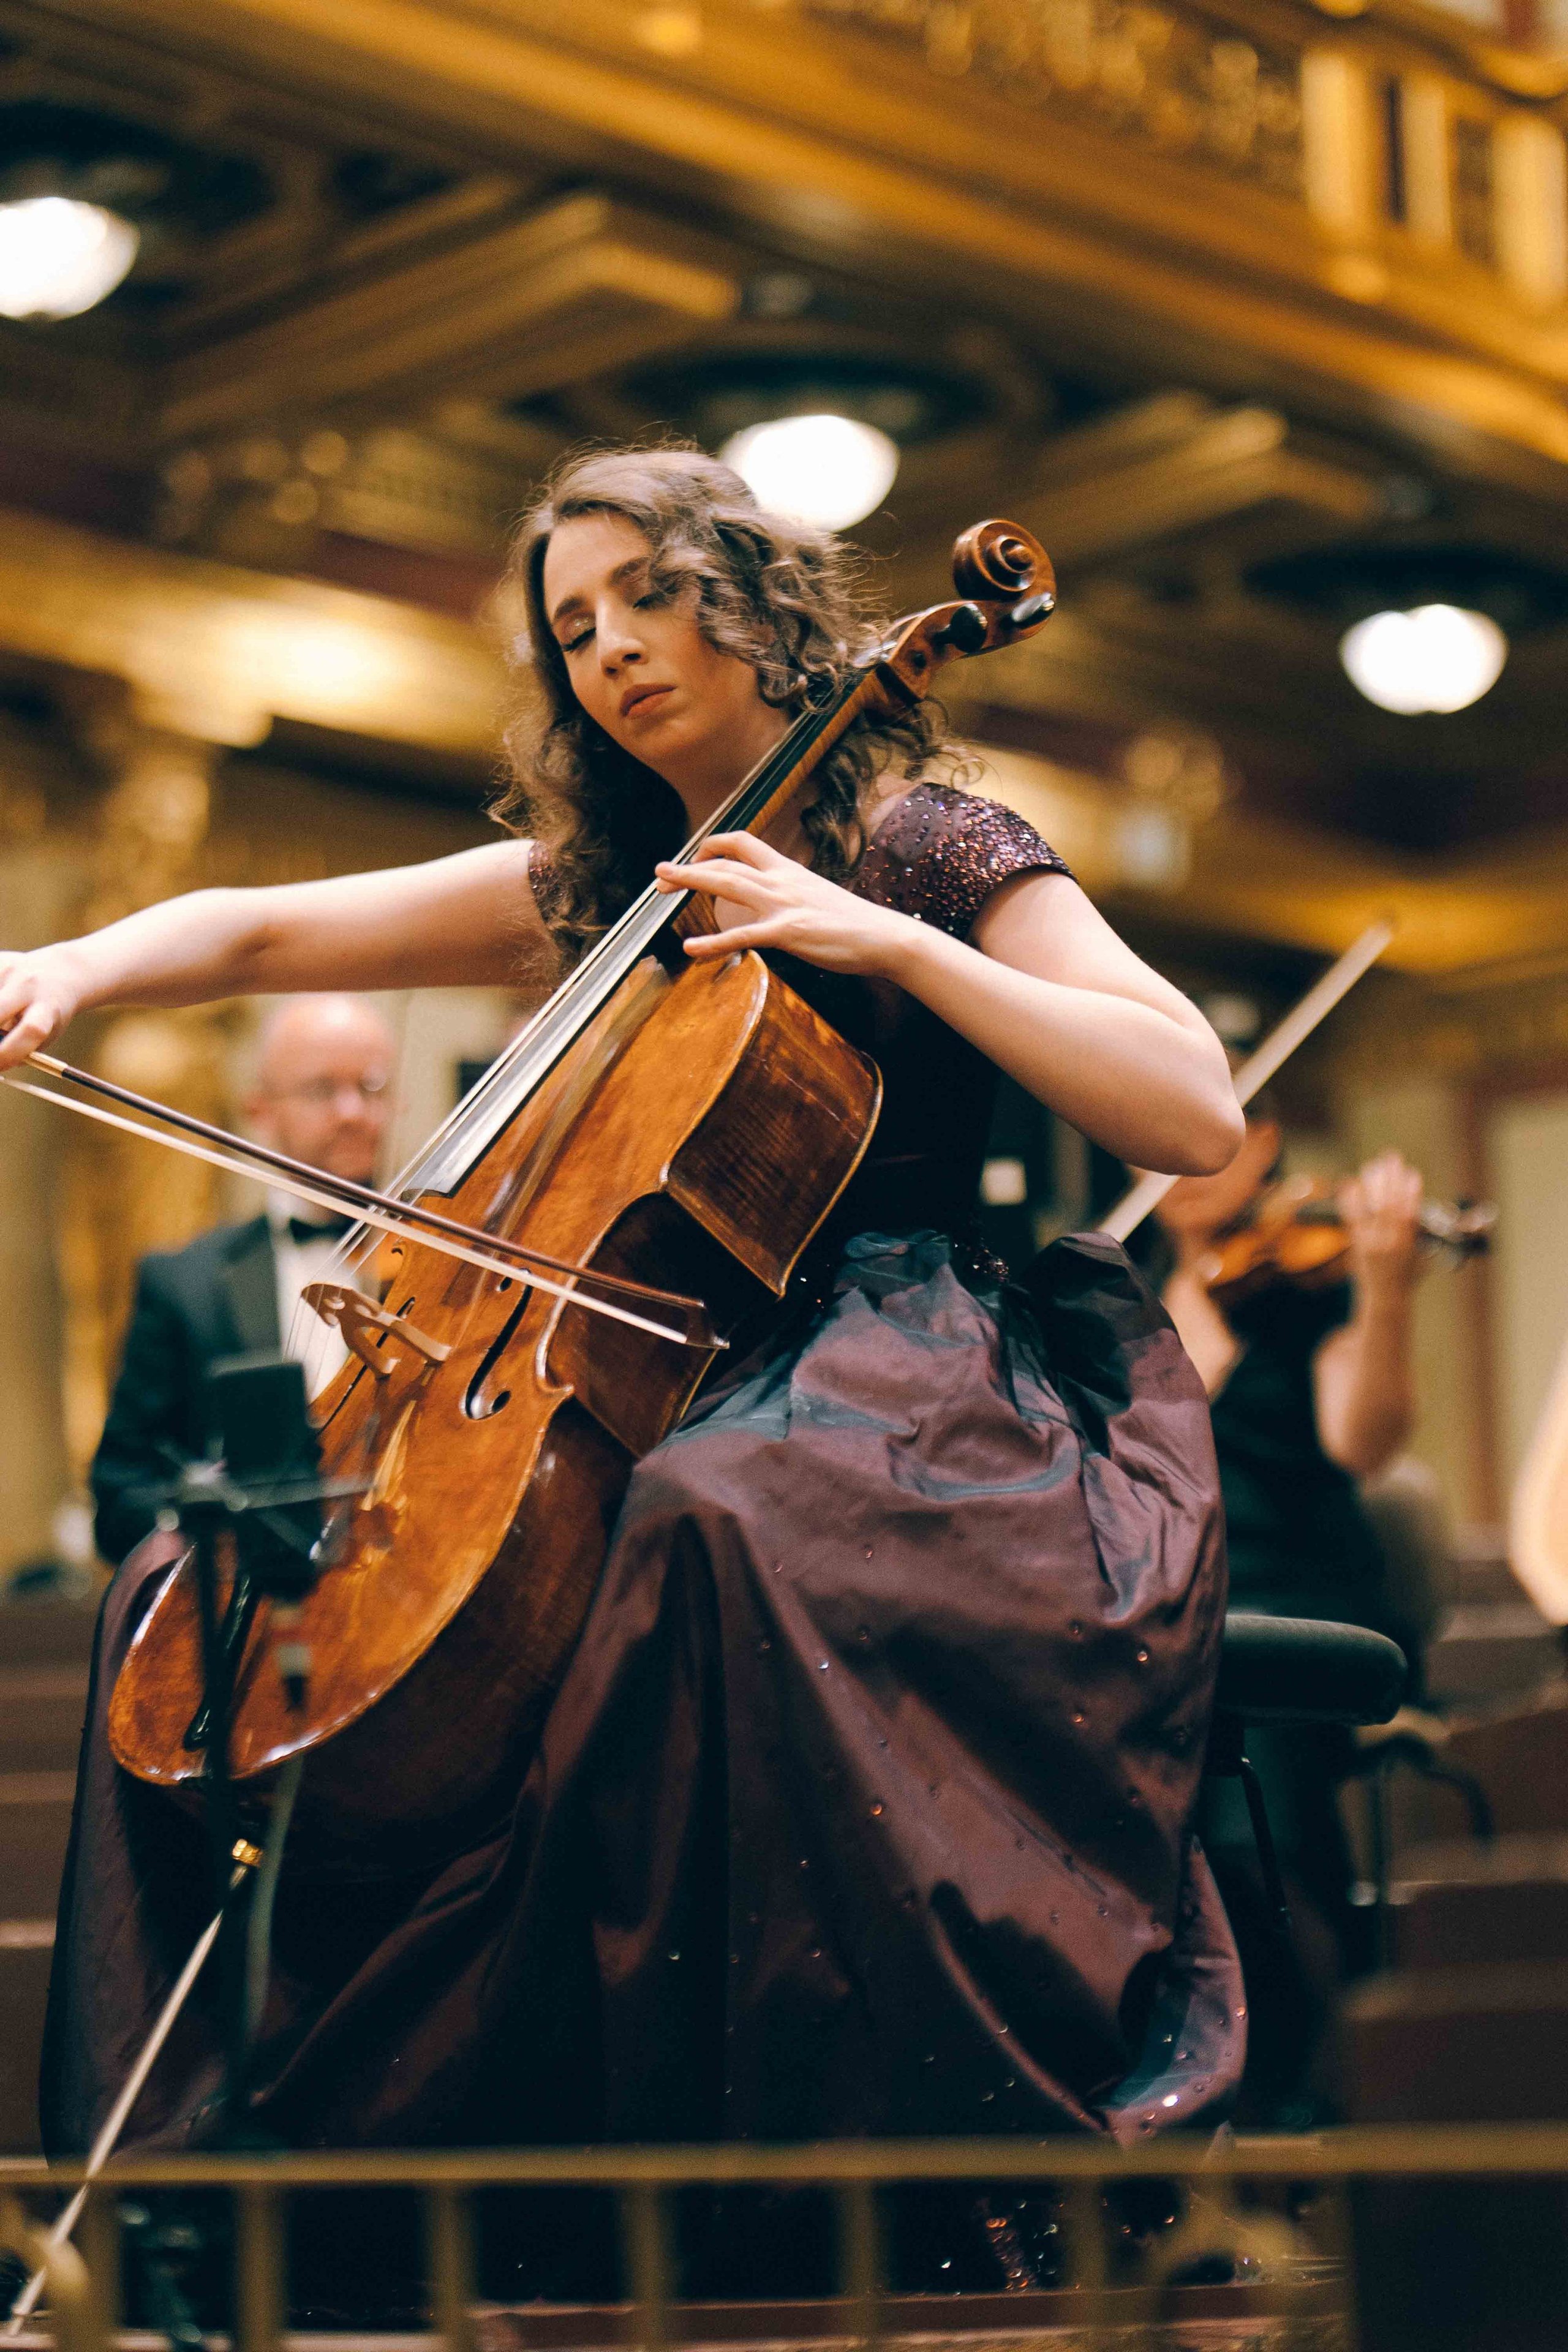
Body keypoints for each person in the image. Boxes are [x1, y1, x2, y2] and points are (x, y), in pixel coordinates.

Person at [7, 448, 1246, 2290]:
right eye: (571, 628)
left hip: (914, 1368)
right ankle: (223, 2180)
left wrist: (887, 939)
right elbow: (270, 929)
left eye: (641, 597)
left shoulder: (919, 840)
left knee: (702, 1529)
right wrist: (66, 958)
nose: (609, 651)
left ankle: (750, 2177)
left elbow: (1191, 1103)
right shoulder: (607, 885)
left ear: (746, 592)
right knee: (199, 1581)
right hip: (655, 1353)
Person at [1154, 1105, 1425, 2120]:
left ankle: (1310, 2090)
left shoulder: (1308, 1289)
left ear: (1260, 1141)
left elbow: (1364, 1440)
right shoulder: (1123, 1292)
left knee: (1242, 1825)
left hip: (1298, 1602)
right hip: (1180, 1614)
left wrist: (1389, 1292)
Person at [89, 995, 397, 1564]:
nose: (353, 1111)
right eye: (322, 1089)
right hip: (257, 1615)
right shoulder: (183, 1285)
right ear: (260, 1109)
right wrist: (209, 1518)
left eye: (373, 1087)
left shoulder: (448, 1261)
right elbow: (119, 1497)